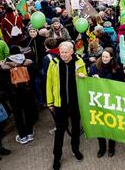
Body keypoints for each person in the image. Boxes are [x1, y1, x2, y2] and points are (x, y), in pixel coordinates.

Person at [46, 41, 87, 170]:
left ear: (72, 52)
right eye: (61, 52)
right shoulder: (53, 64)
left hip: (75, 103)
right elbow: (49, 83)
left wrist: (84, 76)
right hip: (60, 104)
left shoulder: (79, 62)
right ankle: (57, 157)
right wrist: (50, 102)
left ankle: (75, 149)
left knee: (75, 129)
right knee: (60, 131)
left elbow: (86, 81)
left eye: (65, 52)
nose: (63, 55)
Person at [89, 48, 122, 158]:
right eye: (103, 56)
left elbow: (120, 85)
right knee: (100, 125)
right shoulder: (95, 67)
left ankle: (111, 147)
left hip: (111, 101)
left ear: (112, 57)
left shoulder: (116, 68)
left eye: (107, 57)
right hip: (98, 101)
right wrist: (92, 78)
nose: (104, 58)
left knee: (111, 124)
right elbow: (88, 80)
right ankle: (102, 147)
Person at [0, 46, 35, 144]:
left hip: (14, 93)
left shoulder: (6, 64)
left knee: (18, 114)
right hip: (27, 91)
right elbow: (33, 74)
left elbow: (2, 82)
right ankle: (30, 133)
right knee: (28, 111)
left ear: (10, 53)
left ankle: (22, 136)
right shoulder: (27, 61)